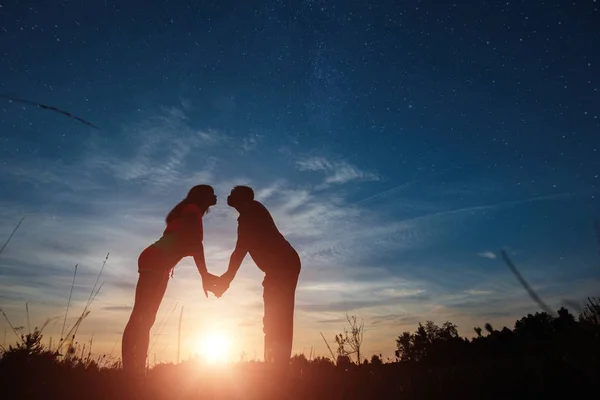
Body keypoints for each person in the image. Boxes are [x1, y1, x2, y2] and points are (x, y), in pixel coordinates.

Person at [122, 184, 219, 378]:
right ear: (201, 197)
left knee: (146, 318)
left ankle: (137, 370)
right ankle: (130, 371)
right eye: (211, 194)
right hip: (157, 260)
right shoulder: (192, 211)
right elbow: (196, 245)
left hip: (158, 261)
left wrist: (205, 276)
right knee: (140, 315)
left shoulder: (188, 211)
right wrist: (204, 276)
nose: (215, 197)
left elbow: (192, 245)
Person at [216, 185, 301, 372]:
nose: (228, 196)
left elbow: (239, 251)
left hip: (283, 267)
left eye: (233, 194)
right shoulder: (250, 213)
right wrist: (226, 279)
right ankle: (274, 367)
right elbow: (240, 250)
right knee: (275, 319)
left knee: (277, 319)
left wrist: (226, 280)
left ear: (243, 198)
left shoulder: (250, 214)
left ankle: (276, 370)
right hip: (279, 268)